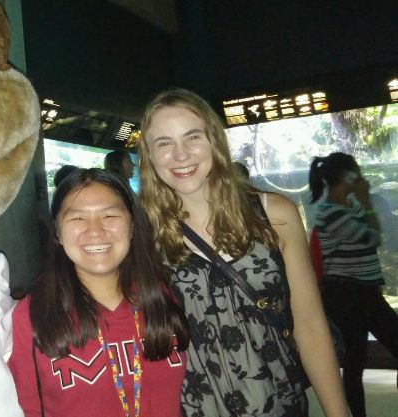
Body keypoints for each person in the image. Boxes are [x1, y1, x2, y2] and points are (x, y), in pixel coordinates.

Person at [138, 88, 349, 417]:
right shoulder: (143, 234)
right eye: (164, 143)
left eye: (192, 137)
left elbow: (309, 324)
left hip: (281, 404)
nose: (181, 155)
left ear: (214, 141)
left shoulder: (274, 214)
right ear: (149, 156)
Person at [8, 168, 189, 417]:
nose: (95, 230)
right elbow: (24, 406)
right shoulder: (34, 313)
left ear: (133, 225)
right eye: (77, 219)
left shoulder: (164, 297)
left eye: (110, 215)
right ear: (58, 232)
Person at [310, 152, 398, 417]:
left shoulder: (346, 208)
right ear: (346, 177)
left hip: (363, 294)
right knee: (354, 361)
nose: (361, 179)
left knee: (356, 360)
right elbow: (372, 237)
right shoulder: (332, 213)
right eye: (356, 174)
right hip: (348, 295)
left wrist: (361, 202)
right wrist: (365, 201)